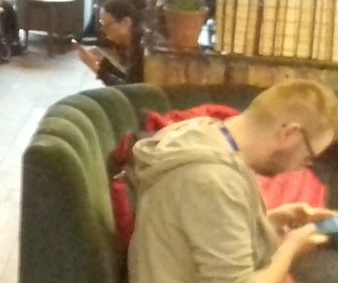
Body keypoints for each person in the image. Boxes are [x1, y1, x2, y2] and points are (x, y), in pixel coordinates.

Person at [128, 79, 338, 283]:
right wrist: (291, 247)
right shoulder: (212, 179)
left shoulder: (205, 137)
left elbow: (202, 232)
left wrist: (268, 223)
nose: (303, 166)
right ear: (289, 133)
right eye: (308, 157)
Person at [75, 0, 150, 86]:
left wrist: (96, 69)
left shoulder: (143, 48)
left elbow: (129, 91)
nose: (103, 29)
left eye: (106, 25)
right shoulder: (134, 43)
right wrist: (104, 63)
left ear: (126, 23)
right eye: (101, 24)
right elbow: (128, 78)